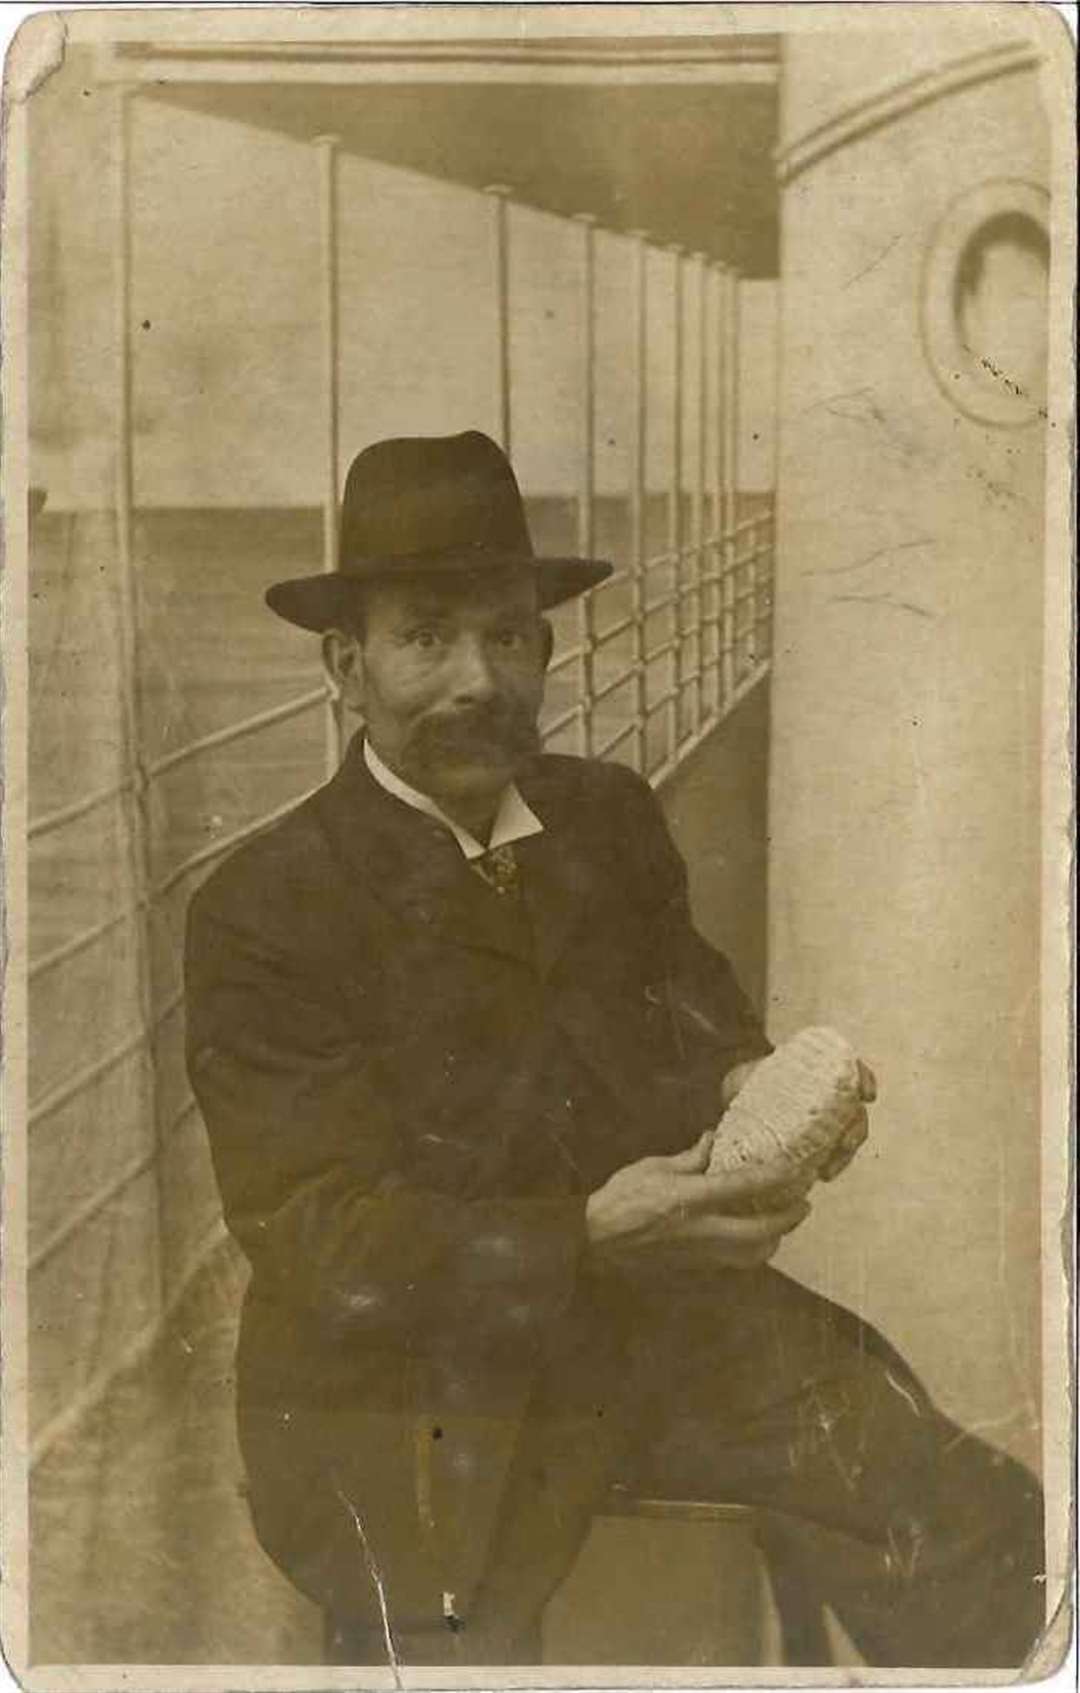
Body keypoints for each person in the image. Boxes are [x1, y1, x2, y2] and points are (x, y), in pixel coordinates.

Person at [184, 430, 1044, 1670]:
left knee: (975, 1521)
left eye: (512, 633)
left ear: (545, 647)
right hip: (406, 1386)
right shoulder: (265, 906)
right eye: (427, 636)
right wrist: (582, 1233)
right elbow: (320, 1232)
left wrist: (759, 1091)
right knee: (446, 1641)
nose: (479, 678)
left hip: (651, 1325)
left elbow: (691, 1019)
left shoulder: (606, 819)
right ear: (344, 665)